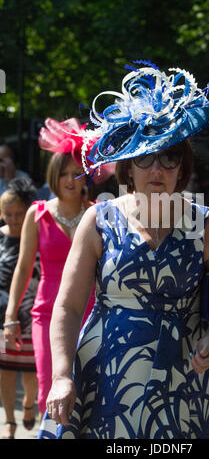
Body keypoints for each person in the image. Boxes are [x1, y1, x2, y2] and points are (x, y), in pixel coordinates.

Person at [38, 62, 209, 439]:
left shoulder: (206, 222)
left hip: (186, 376)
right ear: (127, 167)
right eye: (145, 157)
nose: (157, 168)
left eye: (169, 157)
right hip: (106, 375)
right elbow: (68, 307)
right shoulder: (99, 219)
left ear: (181, 167)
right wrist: (61, 376)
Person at [3, 118, 104, 421]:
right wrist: (10, 316)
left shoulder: (99, 212)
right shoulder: (38, 213)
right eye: (63, 175)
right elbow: (22, 268)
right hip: (46, 312)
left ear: (87, 175)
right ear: (53, 177)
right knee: (51, 389)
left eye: (76, 174)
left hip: (92, 311)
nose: (70, 181)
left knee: (90, 391)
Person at [0, 177, 40, 439]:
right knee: (5, 367)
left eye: (19, 213)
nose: (14, 219)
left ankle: (28, 403)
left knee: (30, 370)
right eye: (8, 214)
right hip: (4, 314)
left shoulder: (37, 231)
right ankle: (9, 421)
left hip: (33, 311)